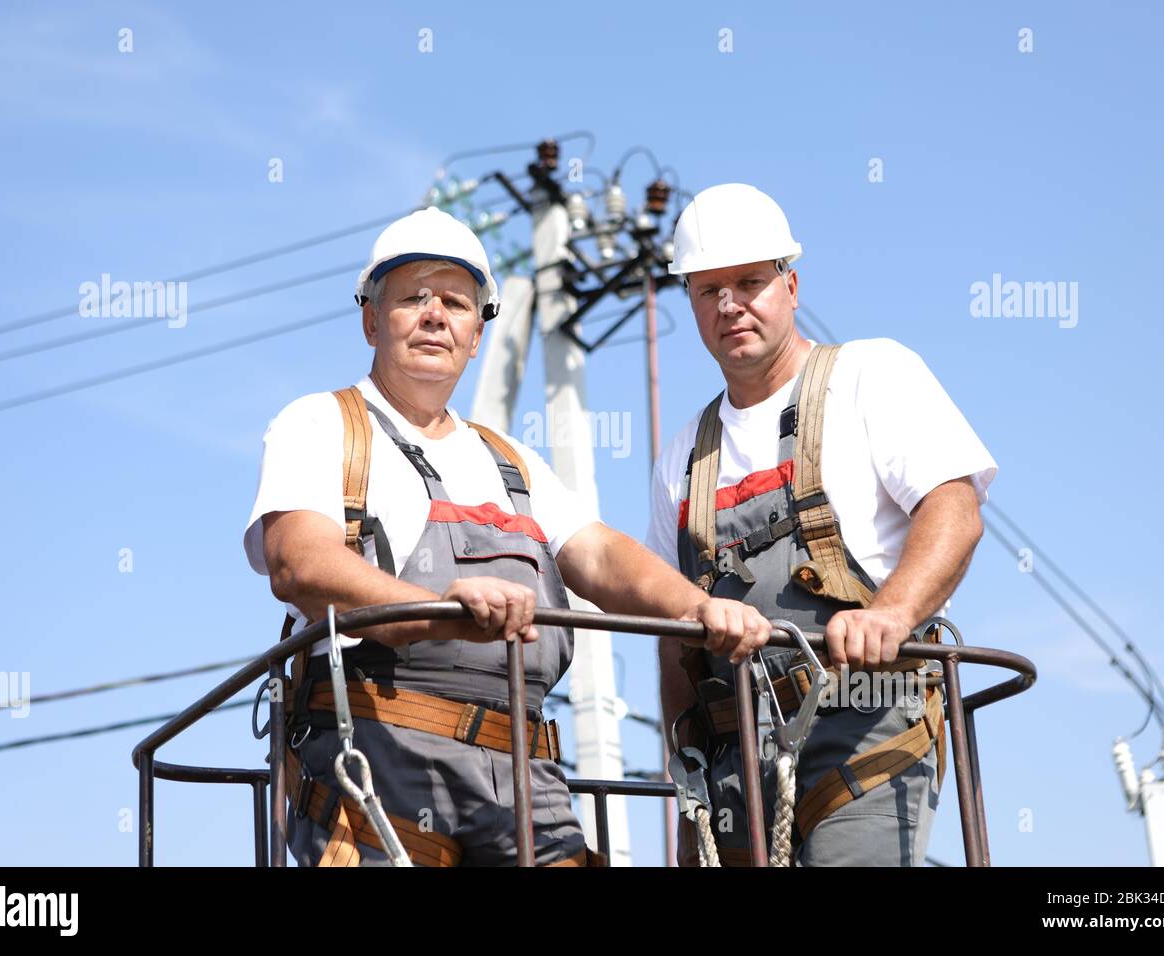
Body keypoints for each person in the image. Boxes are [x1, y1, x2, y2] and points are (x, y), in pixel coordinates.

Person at [244, 206, 770, 866]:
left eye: (457, 304)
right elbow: (299, 561)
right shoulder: (323, 426)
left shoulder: (513, 464)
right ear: (372, 320)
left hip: (523, 778)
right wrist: (435, 614)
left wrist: (695, 608)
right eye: (413, 298)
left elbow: (602, 555)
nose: (436, 315)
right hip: (376, 756)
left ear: (476, 334)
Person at [649, 183, 998, 866]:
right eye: (708, 289)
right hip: (736, 750)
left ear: (791, 284)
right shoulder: (683, 452)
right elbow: (673, 638)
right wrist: (685, 777)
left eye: (749, 281)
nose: (729, 305)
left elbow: (954, 512)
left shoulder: (872, 376)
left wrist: (890, 617)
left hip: (867, 724)